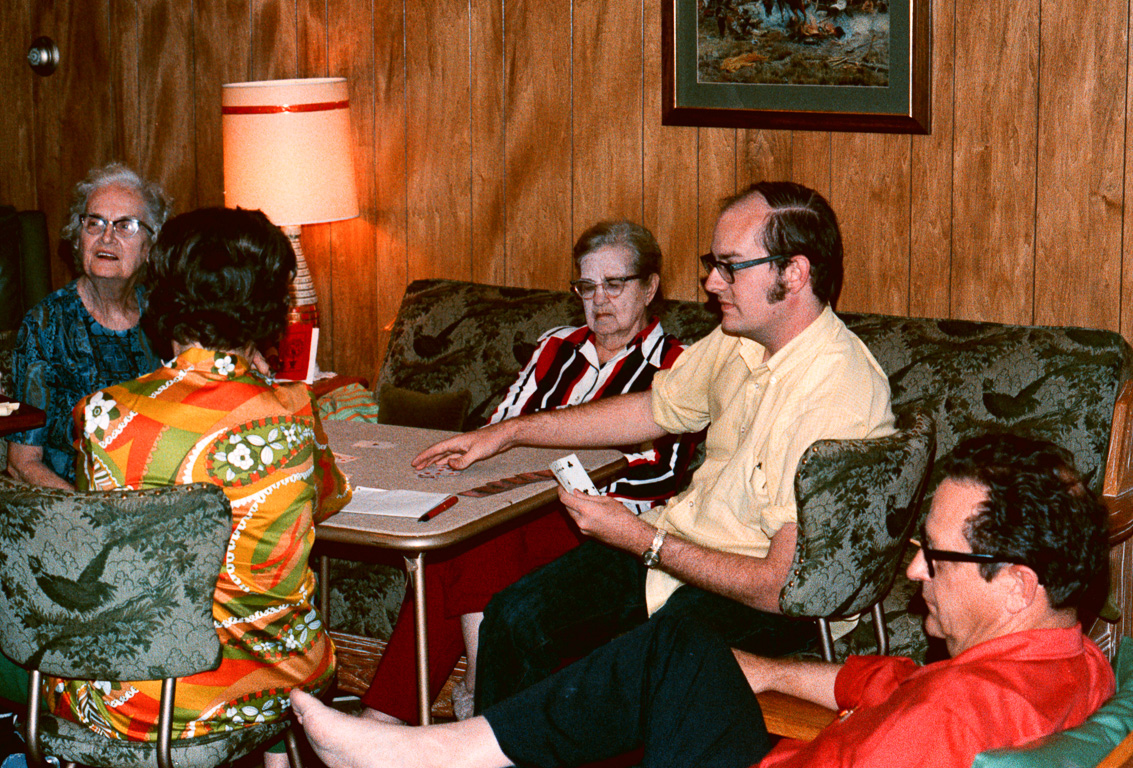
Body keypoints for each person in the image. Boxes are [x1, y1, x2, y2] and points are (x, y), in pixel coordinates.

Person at [290, 433, 1115, 768]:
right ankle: (454, 752)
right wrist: (758, 671)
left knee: (654, 656)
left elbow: (917, 710)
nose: (910, 575)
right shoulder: (1075, 662)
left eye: (934, 558)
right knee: (682, 647)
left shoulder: (948, 719)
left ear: (1014, 583)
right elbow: (882, 680)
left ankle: (427, 754)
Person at [412, 181, 895, 710]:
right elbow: (648, 409)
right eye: (713, 262)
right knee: (513, 615)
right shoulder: (743, 340)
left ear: (794, 273)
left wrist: (644, 541)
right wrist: (504, 433)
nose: (712, 282)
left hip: (762, 600)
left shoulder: (832, 393)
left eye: (731, 266)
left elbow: (777, 586)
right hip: (686, 554)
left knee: (612, 669)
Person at [46, 207, 351, 764]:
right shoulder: (294, 410)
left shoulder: (100, 415)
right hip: (275, 682)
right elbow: (329, 499)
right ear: (271, 311)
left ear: (161, 294)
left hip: (134, 698)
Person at [360, 220, 699, 723]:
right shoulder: (554, 347)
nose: (599, 300)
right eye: (586, 286)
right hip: (517, 506)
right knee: (452, 543)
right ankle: (443, 712)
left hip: (601, 523)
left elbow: (663, 475)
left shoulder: (680, 364)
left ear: (650, 287)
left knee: (473, 543)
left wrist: (566, 496)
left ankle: (441, 710)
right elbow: (503, 429)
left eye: (615, 284)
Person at [7, 162, 169, 489]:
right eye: (94, 223)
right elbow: (22, 462)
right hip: (76, 508)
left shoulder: (165, 316)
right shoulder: (44, 325)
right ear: (78, 239)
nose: (106, 237)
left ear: (150, 248)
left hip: (157, 497)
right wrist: (91, 518)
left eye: (126, 226)